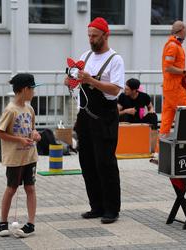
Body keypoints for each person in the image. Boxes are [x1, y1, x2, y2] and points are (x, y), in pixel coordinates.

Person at [65, 17, 125, 224]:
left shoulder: (115, 59)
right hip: (86, 115)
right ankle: (96, 206)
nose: (91, 39)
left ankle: (111, 209)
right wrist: (70, 82)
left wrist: (91, 80)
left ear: (106, 36)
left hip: (105, 117)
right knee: (87, 162)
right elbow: (77, 82)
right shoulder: (86, 56)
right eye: (89, 35)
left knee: (105, 163)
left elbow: (116, 89)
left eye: (95, 36)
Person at [0, 73, 42, 237]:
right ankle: (3, 222)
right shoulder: (10, 110)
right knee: (11, 188)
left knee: (30, 188)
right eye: (32, 89)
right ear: (24, 89)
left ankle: (31, 224)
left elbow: (32, 128)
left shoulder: (30, 109)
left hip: (30, 156)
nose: (34, 92)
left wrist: (35, 134)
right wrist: (19, 140)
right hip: (15, 158)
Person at [159, 20, 186, 137]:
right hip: (174, 88)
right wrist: (185, 72)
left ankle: (160, 151)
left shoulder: (174, 45)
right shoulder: (173, 46)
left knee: (166, 120)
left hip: (170, 87)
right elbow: (168, 67)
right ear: (182, 30)